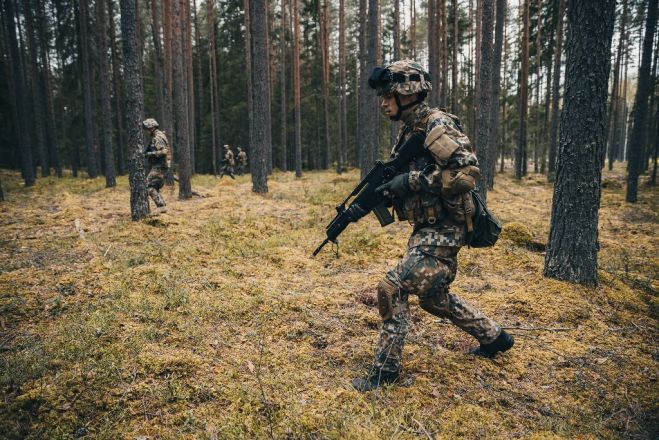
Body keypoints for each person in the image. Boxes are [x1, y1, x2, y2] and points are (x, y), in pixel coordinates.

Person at [351, 60, 514, 392]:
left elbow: (467, 174)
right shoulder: (410, 131)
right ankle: (495, 338)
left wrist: (409, 180)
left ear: (407, 94)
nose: (384, 103)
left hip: (446, 229)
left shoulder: (436, 125)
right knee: (433, 299)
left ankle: (385, 373)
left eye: (388, 96)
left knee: (392, 287)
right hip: (426, 230)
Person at [141, 118, 170, 211]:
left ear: (151, 128)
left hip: (160, 167)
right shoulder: (157, 136)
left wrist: (149, 154)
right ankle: (162, 206)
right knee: (154, 186)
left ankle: (161, 207)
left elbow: (164, 151)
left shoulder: (158, 137)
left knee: (148, 186)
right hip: (159, 166)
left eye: (147, 129)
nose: (146, 132)